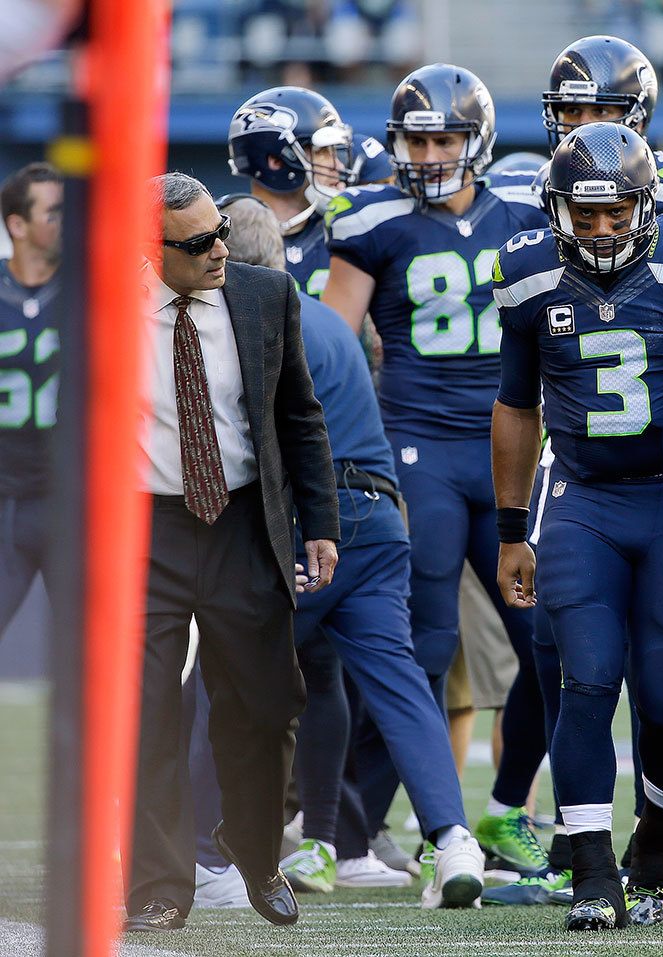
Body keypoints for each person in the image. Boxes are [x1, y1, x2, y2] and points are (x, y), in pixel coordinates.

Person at [491, 121, 663, 931]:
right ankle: (589, 871)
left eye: (618, 212)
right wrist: (514, 526)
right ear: (559, 212)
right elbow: (515, 406)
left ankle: (660, 841)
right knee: (584, 678)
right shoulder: (527, 273)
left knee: (662, 694)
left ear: (646, 204)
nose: (604, 230)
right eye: (586, 216)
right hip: (582, 500)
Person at [217, 194, 486, 907]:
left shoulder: (253, 324)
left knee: (218, 676)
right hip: (381, 518)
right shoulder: (332, 322)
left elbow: (266, 452)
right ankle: (451, 837)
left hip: (314, 526)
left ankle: (205, 855)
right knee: (395, 685)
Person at [321, 63, 552, 878]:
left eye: (442, 136)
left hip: (508, 453)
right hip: (414, 447)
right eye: (415, 138)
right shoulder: (373, 219)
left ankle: (503, 812)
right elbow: (332, 340)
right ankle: (386, 825)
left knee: (551, 640)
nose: (425, 153)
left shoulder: (528, 215)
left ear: (477, 139)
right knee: (420, 643)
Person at [126, 172, 340, 933]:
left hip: (245, 522)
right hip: (142, 530)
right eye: (196, 243)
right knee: (146, 710)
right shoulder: (103, 311)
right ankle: (157, 885)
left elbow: (301, 417)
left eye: (219, 231)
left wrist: (321, 521)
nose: (219, 249)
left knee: (267, 701)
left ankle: (253, 852)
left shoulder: (264, 295)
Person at [0, 162, 61, 639]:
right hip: (6, 499)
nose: (67, 221)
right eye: (54, 212)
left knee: (97, 656)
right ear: (17, 225)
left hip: (72, 499)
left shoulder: (90, 289)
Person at [227, 86, 355, 298]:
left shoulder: (347, 229)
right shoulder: (224, 239)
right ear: (276, 161)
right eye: (322, 152)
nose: (338, 167)